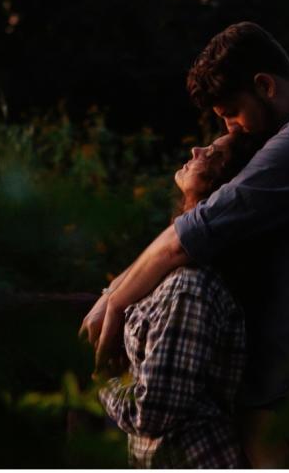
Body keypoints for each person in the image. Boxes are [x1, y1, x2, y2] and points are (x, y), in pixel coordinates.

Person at [81, 21, 289, 466]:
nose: (233, 130)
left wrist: (112, 302)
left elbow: (187, 238)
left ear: (264, 85)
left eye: (231, 115)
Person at [93, 132, 260, 468]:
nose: (196, 149)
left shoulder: (190, 286)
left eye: (212, 153)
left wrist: (102, 384)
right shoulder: (171, 272)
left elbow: (152, 412)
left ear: (221, 185)